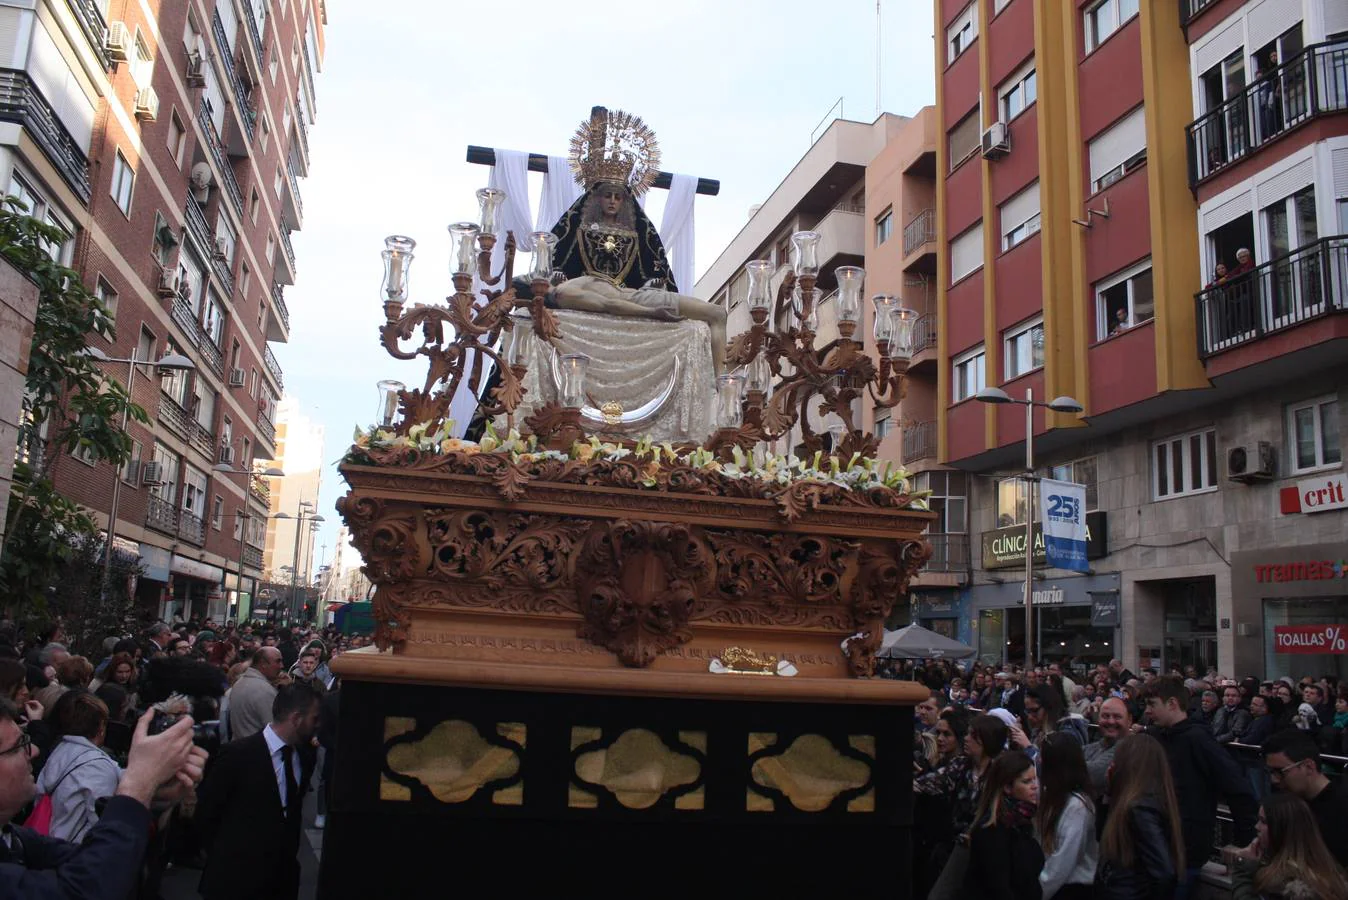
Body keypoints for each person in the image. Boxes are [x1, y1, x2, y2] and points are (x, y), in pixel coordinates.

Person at [0, 697, 205, 896]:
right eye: (19, 745)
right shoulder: (94, 764)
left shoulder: (12, 837)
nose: (33, 752)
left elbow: (100, 865)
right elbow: (87, 890)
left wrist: (151, 792)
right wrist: (137, 788)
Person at [550, 176, 728, 373]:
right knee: (716, 314)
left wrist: (653, 281)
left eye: (617, 197)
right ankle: (723, 384)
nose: (612, 201)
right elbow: (561, 263)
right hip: (629, 301)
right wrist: (557, 275)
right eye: (607, 196)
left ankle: (724, 384)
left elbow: (649, 266)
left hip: (637, 295)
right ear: (597, 199)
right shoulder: (572, 284)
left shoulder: (637, 234)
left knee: (717, 313)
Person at [196, 683, 321, 900]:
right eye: (314, 718)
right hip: (235, 880)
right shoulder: (237, 755)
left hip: (281, 880)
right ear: (296, 718)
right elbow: (208, 812)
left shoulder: (304, 755)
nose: (317, 725)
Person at [1143, 677, 1257, 896]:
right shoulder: (1154, 736)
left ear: (1172, 703)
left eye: (1152, 704)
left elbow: (1237, 788)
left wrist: (1246, 842)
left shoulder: (1198, 740)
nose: (1147, 711)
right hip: (1156, 844)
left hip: (1185, 848)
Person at [919, 714, 1010, 900]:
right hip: (957, 848)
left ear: (986, 740)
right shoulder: (960, 766)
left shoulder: (1001, 773)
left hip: (987, 852)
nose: (966, 739)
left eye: (972, 735)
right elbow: (931, 782)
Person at [1096, 734, 1185, 900]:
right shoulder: (1139, 802)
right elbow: (1101, 834)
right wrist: (1108, 795)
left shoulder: (1140, 808)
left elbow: (1164, 873)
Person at [32, 690, 121, 843]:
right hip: (75, 851)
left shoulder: (58, 752)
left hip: (47, 844)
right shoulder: (99, 766)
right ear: (101, 727)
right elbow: (100, 821)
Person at [1227, 792, 1348, 900]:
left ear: (1282, 830)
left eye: (1263, 822)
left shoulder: (1288, 887)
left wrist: (1244, 869)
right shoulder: (1326, 871)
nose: (1256, 827)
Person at [961, 750, 1044, 900]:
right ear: (1007, 787)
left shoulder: (1024, 822)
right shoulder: (992, 830)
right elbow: (998, 888)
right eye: (1027, 781)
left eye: (1035, 779)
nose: (1035, 786)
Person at [1260, 729, 1348, 866]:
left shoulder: (1342, 808)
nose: (1274, 780)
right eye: (1270, 772)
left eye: (1280, 772)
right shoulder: (1288, 803)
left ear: (1308, 766)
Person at [1037, 734, 1098, 900]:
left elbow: (1064, 859)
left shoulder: (1077, 806)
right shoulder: (1051, 797)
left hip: (1070, 890)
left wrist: (1039, 891)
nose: (1039, 762)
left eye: (1043, 757)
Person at [226, 646, 282, 741]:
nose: (281, 666)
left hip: (240, 747)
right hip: (257, 750)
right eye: (278, 661)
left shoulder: (239, 684)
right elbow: (276, 730)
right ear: (263, 663)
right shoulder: (264, 690)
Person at [1084, 697, 1132, 802]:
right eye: (1105, 716)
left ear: (1129, 721)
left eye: (1117, 717)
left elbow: (1094, 775)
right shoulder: (1092, 747)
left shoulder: (1131, 748)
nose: (1110, 721)